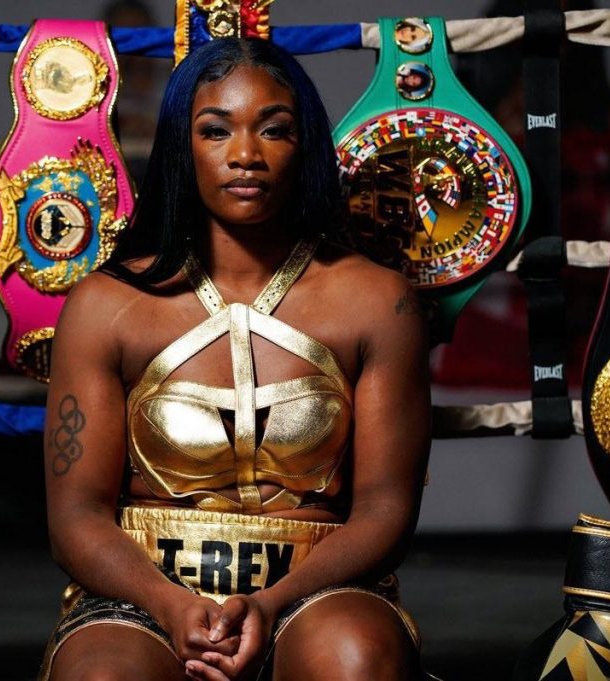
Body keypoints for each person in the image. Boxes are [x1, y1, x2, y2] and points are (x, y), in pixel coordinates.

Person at [40, 37, 431, 681]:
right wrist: (170, 606)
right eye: (216, 130)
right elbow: (75, 515)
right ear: (180, 147)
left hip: (317, 590)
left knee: (354, 658)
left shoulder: (376, 302)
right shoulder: (106, 305)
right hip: (143, 595)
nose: (246, 155)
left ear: (303, 146)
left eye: (273, 130)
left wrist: (270, 604)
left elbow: (387, 509)